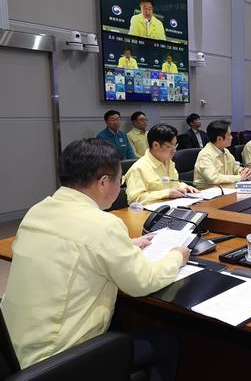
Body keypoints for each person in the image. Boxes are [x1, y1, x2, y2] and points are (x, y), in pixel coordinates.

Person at [0, 138, 188, 379]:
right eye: (119, 180)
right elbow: (142, 283)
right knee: (165, 341)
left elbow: (68, 244)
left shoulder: (37, 211)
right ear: (103, 182)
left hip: (14, 349)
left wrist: (123, 245)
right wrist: (176, 257)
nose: (120, 186)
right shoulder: (104, 225)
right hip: (55, 361)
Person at [124, 124, 198, 205]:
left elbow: (172, 185)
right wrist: (166, 193)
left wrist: (184, 187)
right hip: (150, 211)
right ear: (155, 145)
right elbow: (134, 199)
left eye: (175, 145)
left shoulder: (168, 161)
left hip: (173, 206)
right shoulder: (139, 168)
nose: (174, 151)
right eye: (170, 147)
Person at [193, 120, 251, 187]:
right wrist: (240, 177)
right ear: (219, 139)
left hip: (226, 189)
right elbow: (214, 178)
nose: (232, 137)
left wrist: (244, 171)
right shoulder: (205, 155)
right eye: (229, 135)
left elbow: (235, 167)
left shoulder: (225, 151)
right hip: (207, 191)